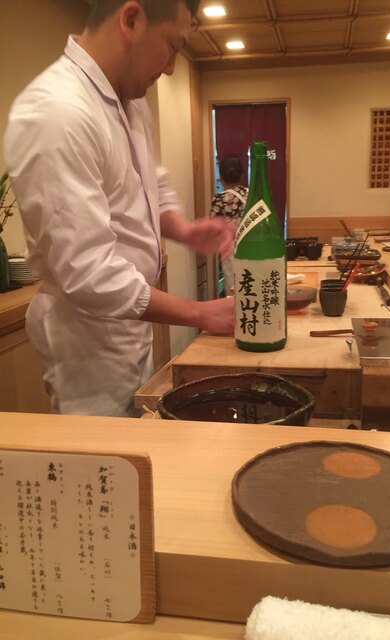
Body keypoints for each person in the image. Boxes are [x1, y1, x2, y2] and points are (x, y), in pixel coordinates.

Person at [3, 0, 235, 418]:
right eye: (172, 46)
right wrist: (199, 312)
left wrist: (182, 229)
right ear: (131, 20)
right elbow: (88, 272)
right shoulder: (57, 111)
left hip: (130, 323)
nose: (170, 68)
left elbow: (149, 181)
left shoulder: (129, 99)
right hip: (86, 342)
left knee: (138, 431)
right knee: (105, 452)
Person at [209, 154, 248, 293]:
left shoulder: (220, 199)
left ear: (221, 176)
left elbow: (212, 229)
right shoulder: (251, 196)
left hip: (230, 252)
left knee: (234, 292)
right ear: (242, 175)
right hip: (251, 248)